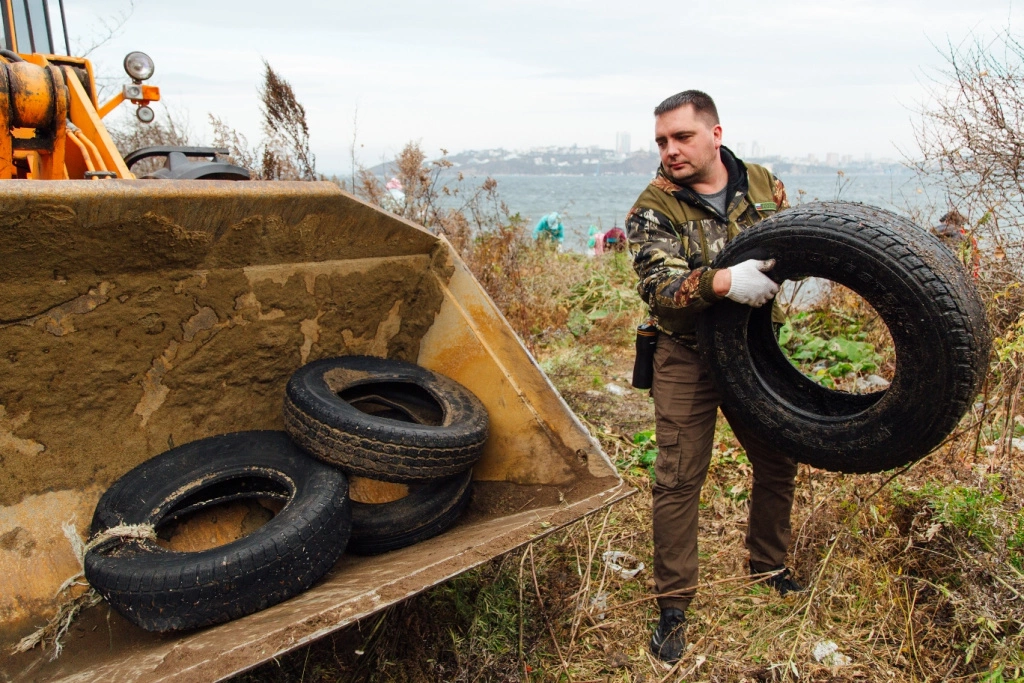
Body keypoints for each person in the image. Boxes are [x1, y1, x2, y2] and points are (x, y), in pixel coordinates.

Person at [624, 90, 804, 664]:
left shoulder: (761, 183)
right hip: (687, 353)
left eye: (682, 137)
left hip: (753, 348)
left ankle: (769, 566)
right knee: (678, 478)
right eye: (661, 141)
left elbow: (794, 240)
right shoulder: (652, 207)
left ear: (715, 133)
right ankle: (673, 607)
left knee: (777, 458)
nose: (670, 150)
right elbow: (659, 288)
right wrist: (724, 283)